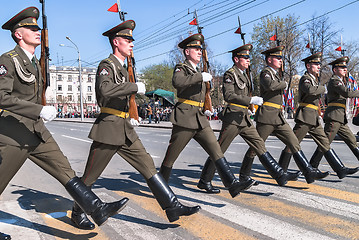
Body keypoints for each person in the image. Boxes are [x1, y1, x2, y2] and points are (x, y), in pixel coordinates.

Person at [0, 7, 128, 238]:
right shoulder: (8, 60)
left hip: (36, 131)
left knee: (65, 169)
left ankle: (96, 209)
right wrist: (39, 109)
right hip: (13, 134)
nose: (37, 31)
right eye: (31, 28)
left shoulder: (33, 63)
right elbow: (1, 97)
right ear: (18, 34)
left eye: (38, 27)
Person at [70, 20, 200, 229]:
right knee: (90, 176)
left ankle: (172, 206)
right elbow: (105, 91)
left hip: (125, 129)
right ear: (116, 42)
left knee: (148, 165)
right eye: (127, 39)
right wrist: (133, 86)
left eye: (132, 40)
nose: (132, 43)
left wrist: (132, 111)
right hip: (108, 128)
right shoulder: (107, 65)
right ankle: (77, 213)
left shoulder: (123, 68)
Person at [159, 34, 254, 198]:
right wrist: (200, 77)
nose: (199, 51)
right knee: (171, 157)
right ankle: (161, 189)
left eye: (200, 48)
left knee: (216, 150)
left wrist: (206, 106)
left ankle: (232, 184)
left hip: (200, 118)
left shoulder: (199, 70)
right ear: (187, 52)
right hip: (185, 117)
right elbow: (178, 82)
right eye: (196, 49)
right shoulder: (181, 68)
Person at [196, 44, 299, 193]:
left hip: (244, 117)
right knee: (219, 150)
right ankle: (204, 180)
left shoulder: (244, 75)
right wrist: (250, 101)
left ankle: (279, 174)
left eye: (248, 57)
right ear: (236, 59)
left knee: (259, 145)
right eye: (245, 57)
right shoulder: (230, 74)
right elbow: (229, 96)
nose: (248, 60)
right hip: (232, 118)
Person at [241, 46, 327, 184]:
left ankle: (307, 171)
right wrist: (283, 83)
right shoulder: (266, 73)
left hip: (278, 117)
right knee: (255, 147)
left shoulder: (276, 74)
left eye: (281, 58)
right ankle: (244, 175)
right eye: (278, 58)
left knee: (293, 141)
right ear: (269, 59)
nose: (281, 60)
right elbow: (270, 86)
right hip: (267, 116)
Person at [278, 53, 358, 179]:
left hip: (313, 117)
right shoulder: (306, 78)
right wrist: (323, 88)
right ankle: (281, 170)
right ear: (308, 66)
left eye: (319, 64)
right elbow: (310, 90)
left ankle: (339, 169)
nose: (319, 66)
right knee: (293, 143)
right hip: (305, 116)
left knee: (324, 142)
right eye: (316, 64)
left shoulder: (315, 79)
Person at [309, 56, 359, 178]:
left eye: (345, 67)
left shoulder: (342, 81)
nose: (345, 69)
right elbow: (346, 93)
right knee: (325, 142)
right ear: (335, 70)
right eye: (342, 67)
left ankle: (312, 167)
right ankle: (311, 167)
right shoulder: (334, 81)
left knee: (352, 141)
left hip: (340, 118)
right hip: (333, 117)